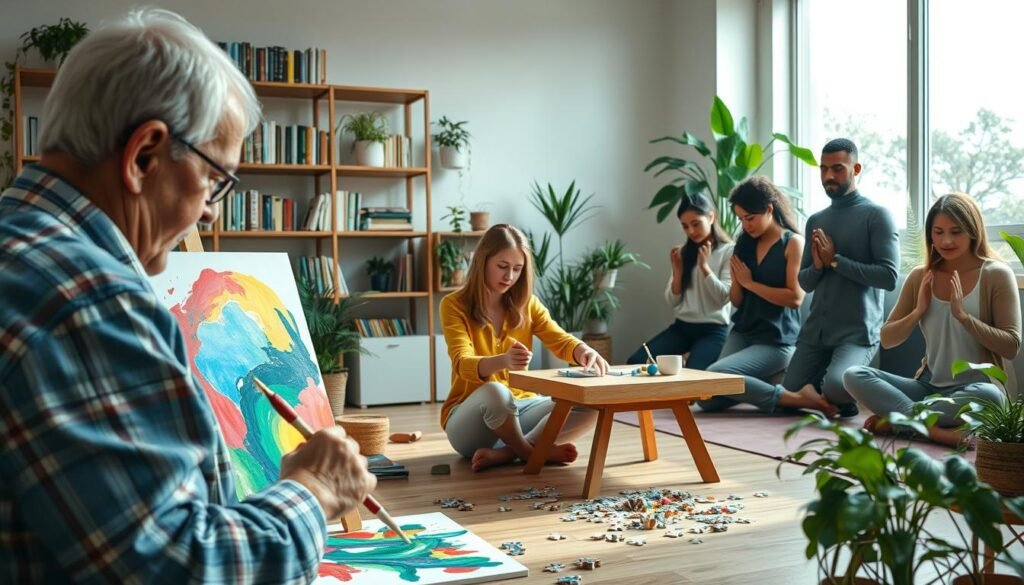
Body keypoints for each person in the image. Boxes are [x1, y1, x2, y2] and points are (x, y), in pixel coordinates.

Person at [0, 9, 375, 583]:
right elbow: (178, 567)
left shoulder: (19, 248)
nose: (212, 212)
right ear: (144, 155)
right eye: (215, 181)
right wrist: (315, 490)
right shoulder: (85, 301)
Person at [845, 193, 1021, 447]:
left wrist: (964, 317)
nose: (946, 240)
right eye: (938, 232)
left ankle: (900, 420)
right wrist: (917, 312)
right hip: (929, 388)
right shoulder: (920, 276)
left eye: (956, 231)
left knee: (991, 397)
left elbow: (1011, 346)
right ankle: (934, 432)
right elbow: (887, 339)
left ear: (973, 231)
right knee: (853, 374)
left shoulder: (996, 274)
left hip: (978, 387)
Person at [440, 224, 607, 471]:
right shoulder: (454, 305)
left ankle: (509, 453)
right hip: (469, 422)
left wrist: (582, 350)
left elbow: (558, 338)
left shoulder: (527, 304)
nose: (509, 276)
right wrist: (503, 361)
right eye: (502, 266)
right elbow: (462, 363)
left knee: (591, 400)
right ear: (483, 261)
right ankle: (530, 453)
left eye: (517, 269)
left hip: (523, 408)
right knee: (496, 392)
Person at [700, 176, 834, 414]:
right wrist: (738, 284)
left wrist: (750, 283)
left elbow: (795, 298)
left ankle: (796, 399)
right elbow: (737, 301)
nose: (746, 225)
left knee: (714, 377)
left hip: (776, 341)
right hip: (743, 332)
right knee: (706, 398)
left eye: (750, 218)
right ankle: (777, 391)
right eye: (741, 219)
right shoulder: (743, 243)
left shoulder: (793, 243)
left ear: (769, 209)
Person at [791, 138, 900, 417]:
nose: (829, 176)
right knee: (789, 391)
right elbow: (805, 282)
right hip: (816, 333)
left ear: (856, 168)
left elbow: (888, 277)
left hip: (857, 333)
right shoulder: (815, 220)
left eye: (837, 168)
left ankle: (832, 396)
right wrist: (818, 266)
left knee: (838, 387)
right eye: (823, 169)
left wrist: (836, 261)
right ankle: (823, 398)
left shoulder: (876, 215)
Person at [627, 193, 733, 371]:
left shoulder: (728, 251)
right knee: (637, 362)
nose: (691, 231)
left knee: (693, 377)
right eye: (685, 226)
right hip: (682, 327)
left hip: (713, 330)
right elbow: (673, 301)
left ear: (711, 217)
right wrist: (677, 273)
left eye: (696, 224)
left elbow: (722, 298)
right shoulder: (683, 253)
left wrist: (704, 268)